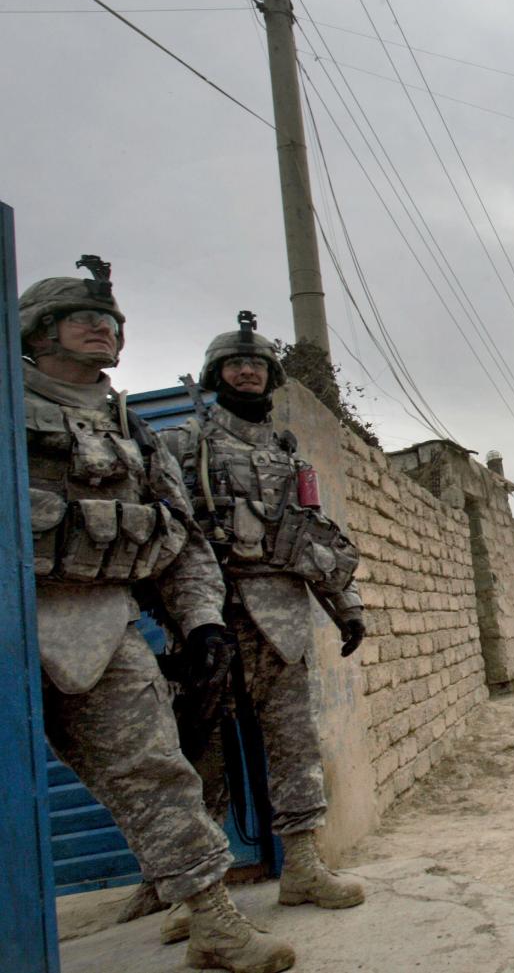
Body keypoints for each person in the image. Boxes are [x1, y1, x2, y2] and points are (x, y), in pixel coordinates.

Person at [20, 257, 297, 972]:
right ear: (35, 331)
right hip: (13, 618)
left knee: (157, 772)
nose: (100, 328)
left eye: (110, 321)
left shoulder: (132, 434)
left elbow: (180, 539)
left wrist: (201, 622)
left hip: (100, 622)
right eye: (80, 318)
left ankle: (212, 922)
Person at [153, 310, 365, 942]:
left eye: (257, 365)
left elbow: (312, 536)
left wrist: (346, 604)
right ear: (214, 374)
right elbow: (165, 536)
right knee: (199, 758)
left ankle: (301, 866)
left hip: (279, 619)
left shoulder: (284, 453)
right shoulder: (181, 446)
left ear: (270, 377)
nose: (246, 370)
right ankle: (195, 895)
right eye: (234, 363)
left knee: (294, 743)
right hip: (205, 618)